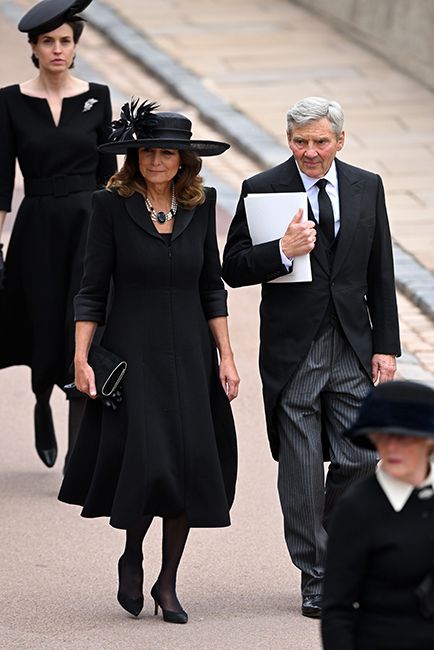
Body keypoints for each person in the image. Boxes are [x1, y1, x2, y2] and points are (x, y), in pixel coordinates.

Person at [58, 100, 239, 624]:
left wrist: (226, 356)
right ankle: (132, 555)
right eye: (146, 151)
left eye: (166, 152)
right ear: (133, 157)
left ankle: (168, 582)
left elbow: (212, 287)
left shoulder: (202, 206)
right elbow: (91, 290)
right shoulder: (110, 205)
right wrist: (79, 357)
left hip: (190, 355)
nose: (155, 161)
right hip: (134, 354)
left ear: (184, 159)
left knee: (185, 466)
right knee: (147, 462)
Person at [222, 96, 400, 617]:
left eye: (321, 141)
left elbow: (381, 270)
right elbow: (232, 268)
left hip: (352, 343)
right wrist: (280, 250)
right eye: (300, 142)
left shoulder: (367, 185)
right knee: (299, 467)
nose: (310, 152)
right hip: (293, 349)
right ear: (289, 140)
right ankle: (318, 574)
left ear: (339, 141)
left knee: (362, 457)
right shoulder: (261, 188)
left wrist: (386, 346)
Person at [0, 0, 117, 469]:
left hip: (88, 227)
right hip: (37, 227)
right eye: (48, 41)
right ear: (33, 47)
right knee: (42, 319)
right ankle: (41, 401)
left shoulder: (98, 96)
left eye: (65, 41)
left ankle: (77, 431)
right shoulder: (9, 100)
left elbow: (110, 177)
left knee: (81, 321)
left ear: (75, 47)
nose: (57, 49)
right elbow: (1, 181)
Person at [322, 380, 434, 649]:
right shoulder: (357, 508)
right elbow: (337, 608)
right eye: (383, 436)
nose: (392, 448)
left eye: (404, 437)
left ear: (428, 441)